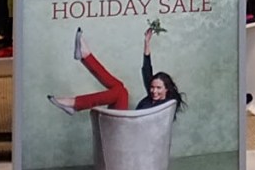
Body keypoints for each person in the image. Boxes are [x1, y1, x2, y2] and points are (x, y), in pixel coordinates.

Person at [49, 21, 179, 114]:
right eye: (152, 87)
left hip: (130, 135)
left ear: (167, 89)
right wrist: (146, 43)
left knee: (121, 91)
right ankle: (85, 56)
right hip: (122, 126)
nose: (154, 91)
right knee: (119, 88)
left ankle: (75, 103)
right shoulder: (152, 98)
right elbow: (147, 71)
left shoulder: (168, 107)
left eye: (158, 88)